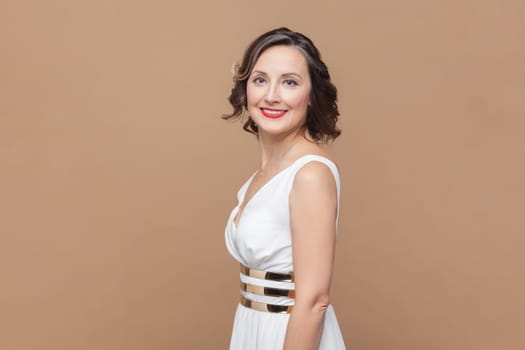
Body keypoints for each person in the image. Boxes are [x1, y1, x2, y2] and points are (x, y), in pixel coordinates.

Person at [223, 27, 346, 350]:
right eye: (260, 80)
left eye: (289, 82)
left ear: (311, 95)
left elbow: (314, 300)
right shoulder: (263, 175)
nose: (271, 95)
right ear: (245, 88)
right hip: (252, 327)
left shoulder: (309, 174)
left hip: (288, 334)